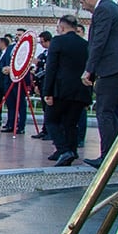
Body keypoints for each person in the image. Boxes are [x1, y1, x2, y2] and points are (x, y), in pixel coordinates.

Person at [77, 0, 118, 167]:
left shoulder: (102, 10)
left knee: (104, 111)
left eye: (82, 2)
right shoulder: (113, 7)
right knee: (109, 111)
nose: (83, 7)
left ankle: (109, 156)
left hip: (114, 67)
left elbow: (98, 42)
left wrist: (89, 70)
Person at [42, 15, 92, 166]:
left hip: (61, 89)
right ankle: (71, 150)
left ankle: (64, 150)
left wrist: (47, 92)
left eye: (58, 28)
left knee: (51, 120)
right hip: (81, 90)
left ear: (62, 28)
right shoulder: (85, 44)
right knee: (71, 123)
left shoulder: (57, 41)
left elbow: (51, 68)